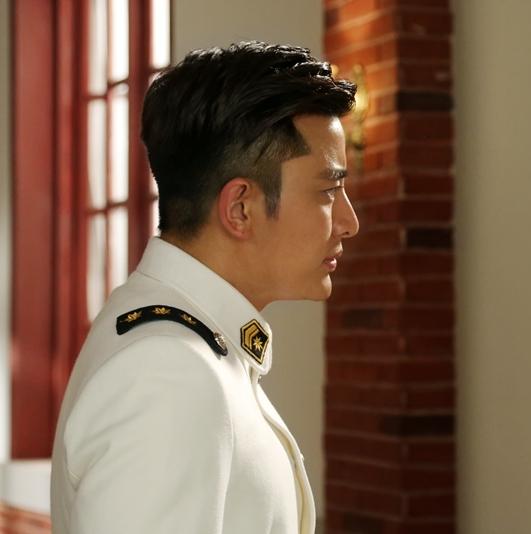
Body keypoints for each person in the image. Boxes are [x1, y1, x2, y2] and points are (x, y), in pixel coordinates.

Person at [50, 41, 359, 534]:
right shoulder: (168, 372)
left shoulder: (187, 347)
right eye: (328, 191)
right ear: (240, 209)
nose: (349, 222)